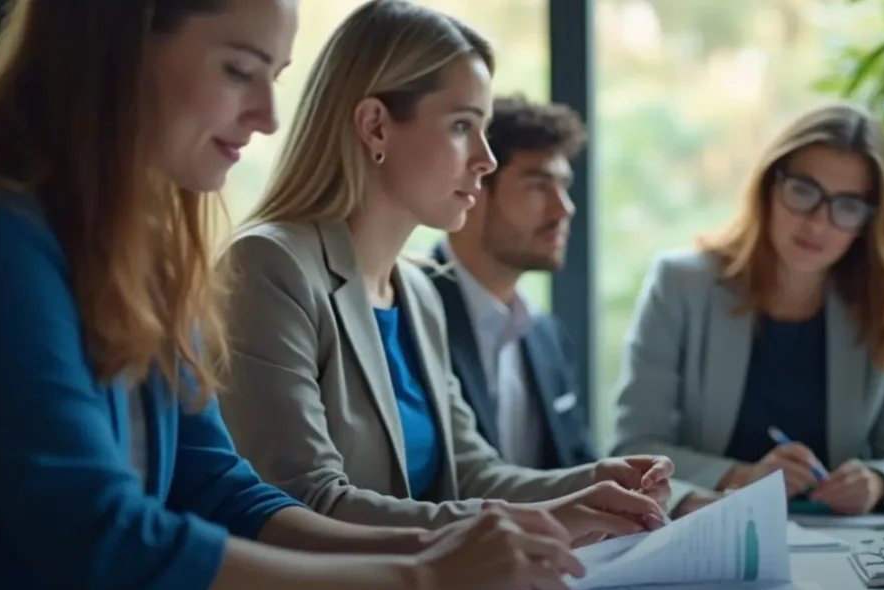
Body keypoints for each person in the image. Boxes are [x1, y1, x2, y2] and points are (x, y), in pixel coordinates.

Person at [0, 0, 589, 590]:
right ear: (115, 48)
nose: (269, 117)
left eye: (274, 79)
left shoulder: (147, 258)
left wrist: (444, 552)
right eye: (239, 70)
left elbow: (222, 493)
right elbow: (108, 544)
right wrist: (421, 578)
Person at [218, 0, 674, 541]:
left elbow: (473, 473)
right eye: (463, 126)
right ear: (375, 127)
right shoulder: (270, 268)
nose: (486, 158)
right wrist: (547, 518)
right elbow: (306, 503)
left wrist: (592, 485)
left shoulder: (419, 291)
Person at [610, 103, 884, 517]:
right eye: (803, 191)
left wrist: (877, 482)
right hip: (709, 531)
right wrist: (741, 478)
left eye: (847, 205)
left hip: (841, 542)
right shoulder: (680, 285)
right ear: (769, 186)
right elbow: (633, 449)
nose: (818, 223)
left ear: (869, 222)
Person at [428, 95, 595, 472]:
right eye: (538, 186)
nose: (564, 208)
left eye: (563, 186)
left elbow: (580, 467)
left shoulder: (547, 334)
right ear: (472, 190)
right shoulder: (405, 312)